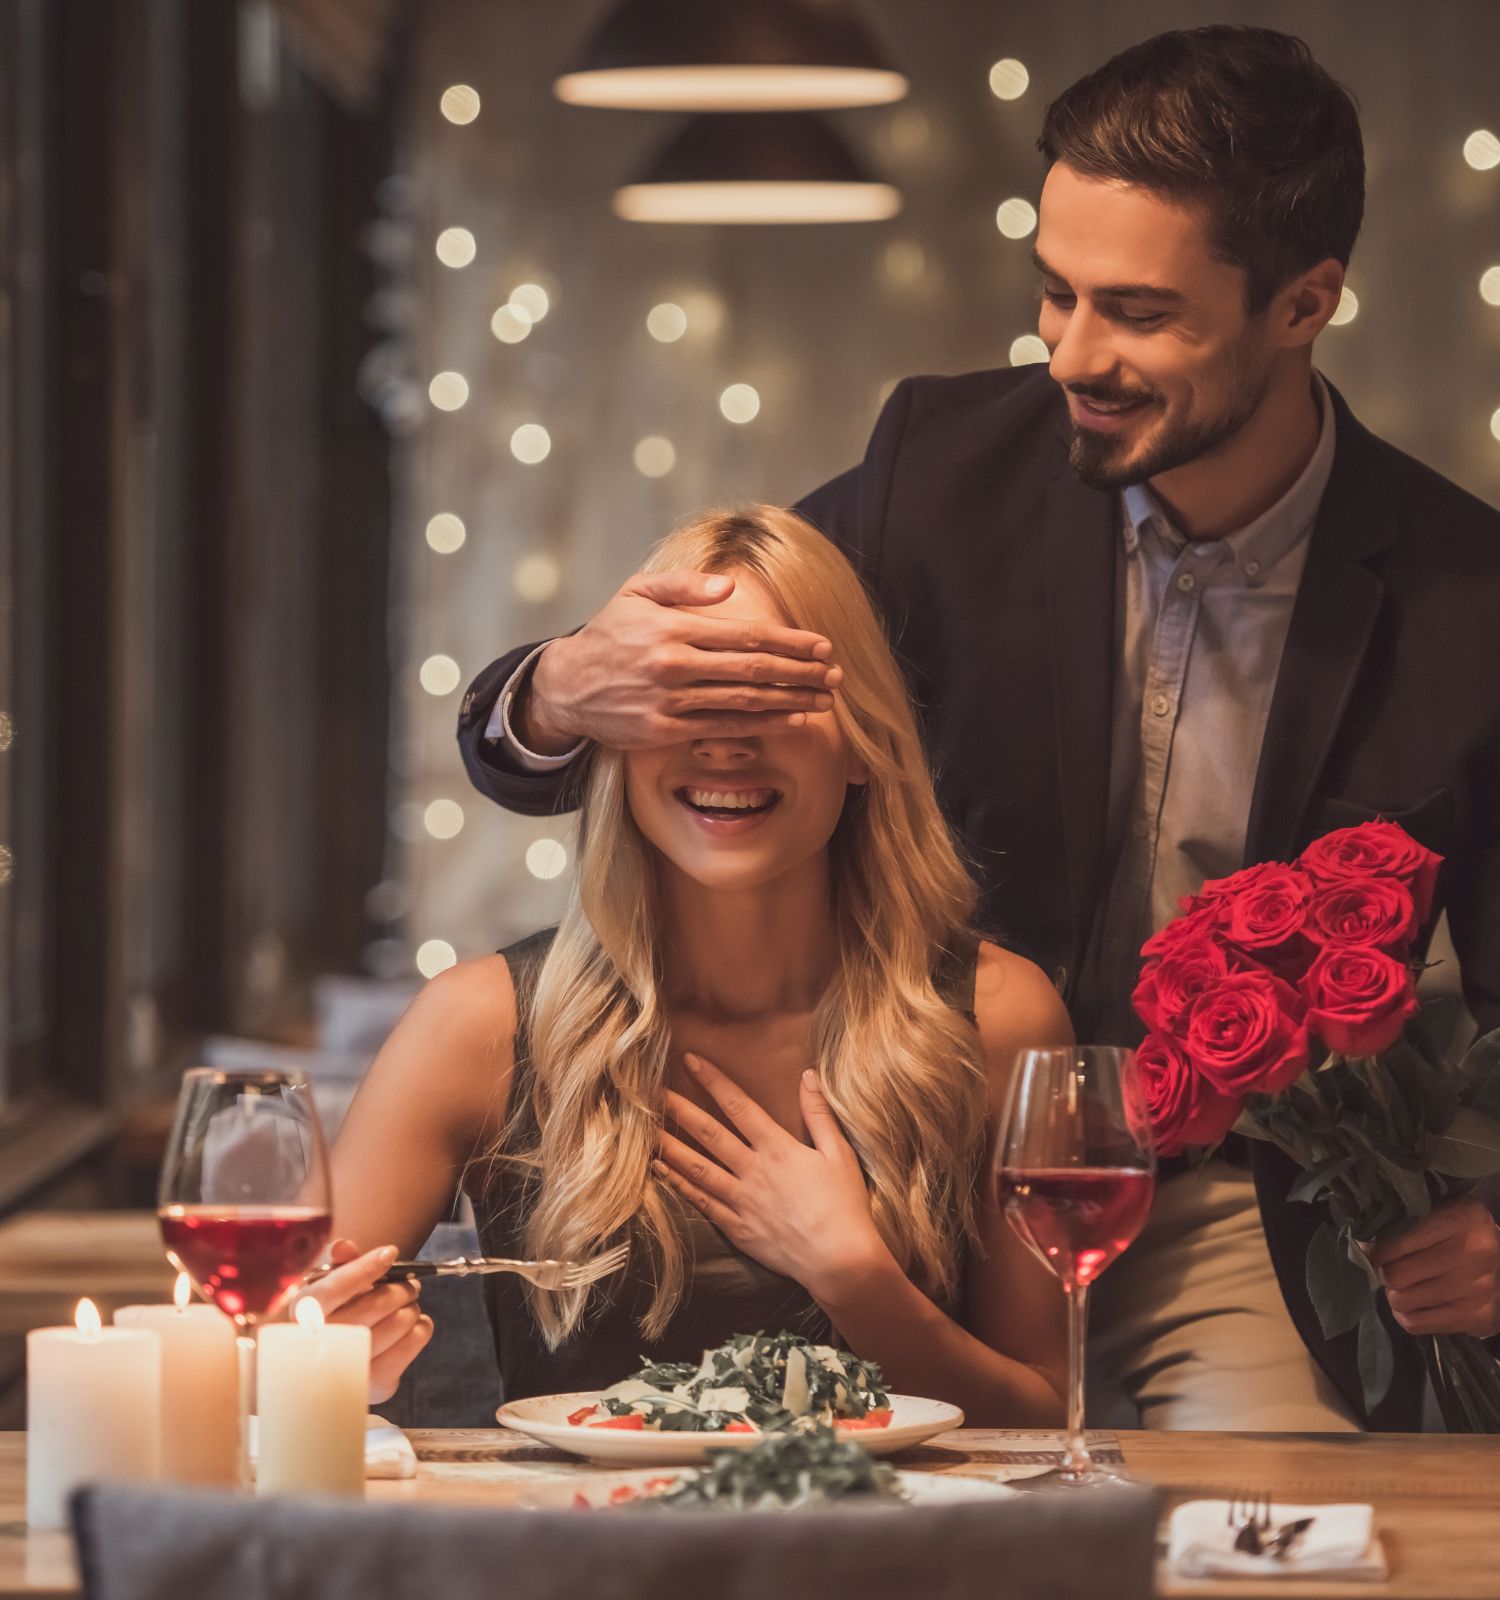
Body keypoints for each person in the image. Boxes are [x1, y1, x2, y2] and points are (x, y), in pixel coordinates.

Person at [455, 27, 1500, 1430]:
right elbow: (668, 719)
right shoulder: (933, 473)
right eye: (1054, 294)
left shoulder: (1466, 605)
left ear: (1305, 301)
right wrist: (556, 693)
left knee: (1254, 1538)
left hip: (1240, 1226)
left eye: (1138, 312)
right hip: (915, 1174)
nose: (1072, 354)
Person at [314, 506, 1073, 1422]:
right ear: (614, 740)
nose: (724, 743)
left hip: (895, 1559)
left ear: (865, 744)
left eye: (769, 697)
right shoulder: (476, 1024)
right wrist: (324, 1360)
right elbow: (286, 1349)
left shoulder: (1001, 1017)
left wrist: (856, 1279)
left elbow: (1044, 1422)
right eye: (683, 699)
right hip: (583, 1555)